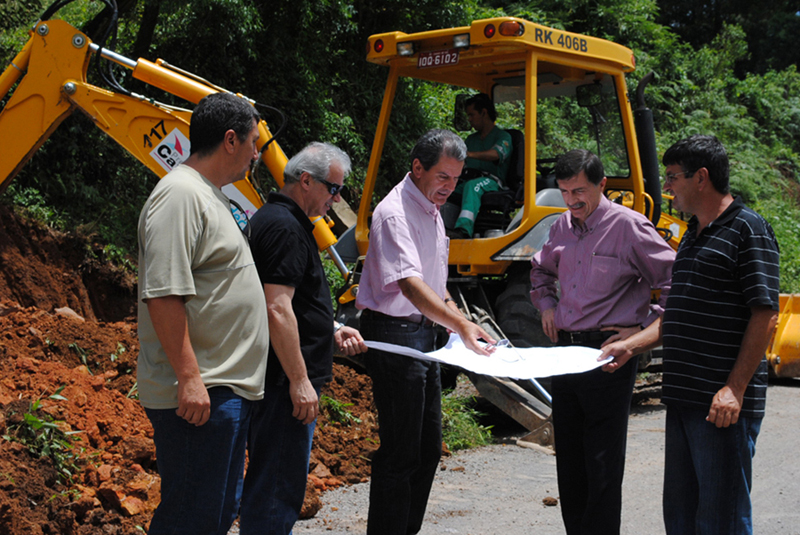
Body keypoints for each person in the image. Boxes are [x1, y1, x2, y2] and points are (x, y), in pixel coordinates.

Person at [137, 92, 269, 535]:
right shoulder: (180, 196)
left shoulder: (210, 195)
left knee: (212, 515)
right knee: (190, 519)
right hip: (201, 394)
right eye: (254, 142)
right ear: (230, 140)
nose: (256, 154)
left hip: (223, 390)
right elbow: (163, 294)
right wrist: (190, 378)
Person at [356, 129, 496, 535]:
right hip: (395, 336)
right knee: (400, 454)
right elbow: (411, 285)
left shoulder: (430, 209)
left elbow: (434, 283)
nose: (450, 188)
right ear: (417, 168)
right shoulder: (395, 212)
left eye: (456, 178)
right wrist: (462, 324)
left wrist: (455, 317)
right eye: (442, 178)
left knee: (427, 450)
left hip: (425, 337)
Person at [529, 148, 675, 535]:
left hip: (609, 356)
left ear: (602, 184)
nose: (573, 201)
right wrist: (546, 305)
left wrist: (642, 332)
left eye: (580, 191)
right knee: (571, 462)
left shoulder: (629, 227)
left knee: (603, 463)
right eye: (565, 192)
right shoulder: (560, 226)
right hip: (565, 352)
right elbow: (540, 271)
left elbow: (676, 283)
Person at [239, 142, 368, 534]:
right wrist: (299, 380)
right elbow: (277, 308)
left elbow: (294, 302)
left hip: (279, 380)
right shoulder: (285, 228)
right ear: (306, 180)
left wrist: (330, 329)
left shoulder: (280, 220)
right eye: (333, 188)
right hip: (283, 385)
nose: (337, 198)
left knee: (275, 483)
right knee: (277, 487)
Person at [658, 135, 779, 534]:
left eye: (672, 176)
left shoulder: (749, 229)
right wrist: (630, 343)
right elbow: (682, 312)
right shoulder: (692, 234)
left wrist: (735, 389)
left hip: (720, 406)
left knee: (720, 520)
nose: (667, 187)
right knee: (681, 517)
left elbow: (764, 314)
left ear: (701, 178)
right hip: (683, 398)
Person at [451, 93, 512, 239]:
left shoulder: (502, 137)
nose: (469, 120)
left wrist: (470, 154)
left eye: (472, 115)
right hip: (467, 179)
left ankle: (463, 231)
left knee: (473, 186)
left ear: (484, 113)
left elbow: (495, 154)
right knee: (446, 188)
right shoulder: (471, 139)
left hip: (491, 181)